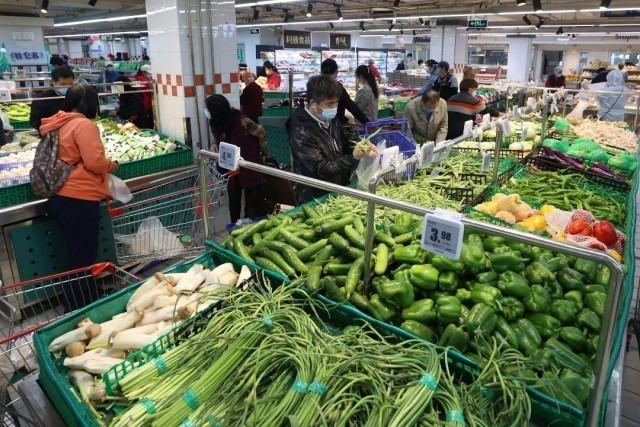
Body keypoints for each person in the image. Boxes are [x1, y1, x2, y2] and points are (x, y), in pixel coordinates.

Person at [40, 83, 118, 312]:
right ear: (90, 103)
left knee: (77, 254)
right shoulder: (84, 125)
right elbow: (95, 162)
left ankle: (87, 296)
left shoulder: (57, 123)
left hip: (61, 196)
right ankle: (76, 308)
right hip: (80, 197)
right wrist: (112, 164)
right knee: (82, 258)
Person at [287, 75, 378, 203]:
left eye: (336, 102)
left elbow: (346, 140)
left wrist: (360, 145)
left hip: (338, 188)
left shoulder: (329, 118)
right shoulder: (300, 131)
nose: (334, 107)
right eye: (329, 103)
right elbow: (319, 169)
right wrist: (353, 157)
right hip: (315, 196)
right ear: (313, 103)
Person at [205, 95, 270, 223]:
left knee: (254, 199)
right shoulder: (216, 121)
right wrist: (214, 144)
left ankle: (258, 225)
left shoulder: (241, 120)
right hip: (231, 165)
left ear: (216, 110)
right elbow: (218, 136)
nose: (206, 111)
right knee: (233, 197)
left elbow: (261, 132)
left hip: (249, 161)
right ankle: (234, 227)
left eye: (207, 109)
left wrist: (264, 153)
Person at [321, 58, 369, 125]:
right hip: (335, 126)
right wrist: (367, 123)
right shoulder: (337, 88)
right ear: (336, 71)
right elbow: (351, 107)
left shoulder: (313, 87)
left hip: (317, 126)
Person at [30, 67, 75, 135]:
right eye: (63, 84)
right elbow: (36, 121)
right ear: (53, 82)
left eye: (70, 84)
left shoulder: (75, 96)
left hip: (73, 133)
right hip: (52, 135)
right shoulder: (42, 99)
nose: (67, 87)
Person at [134, 64, 154, 129]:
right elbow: (151, 91)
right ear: (143, 72)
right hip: (146, 104)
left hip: (142, 103)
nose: (150, 74)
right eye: (148, 73)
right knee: (147, 122)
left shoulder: (138, 78)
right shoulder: (143, 80)